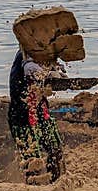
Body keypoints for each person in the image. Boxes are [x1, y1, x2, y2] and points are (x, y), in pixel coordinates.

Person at [7, 48, 67, 184]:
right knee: (33, 163)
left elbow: (55, 71)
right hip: (23, 118)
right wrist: (48, 76)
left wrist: (58, 74)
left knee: (56, 151)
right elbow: (31, 70)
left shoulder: (46, 53)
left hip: (42, 114)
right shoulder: (26, 54)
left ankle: (56, 185)